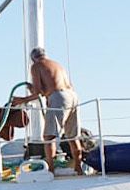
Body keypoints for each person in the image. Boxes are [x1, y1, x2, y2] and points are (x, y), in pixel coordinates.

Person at [14, 46, 86, 175]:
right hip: (73, 96)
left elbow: (37, 93)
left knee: (48, 137)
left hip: (59, 97)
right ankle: (78, 168)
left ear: (33, 59)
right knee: (72, 136)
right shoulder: (57, 65)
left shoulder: (36, 66)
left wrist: (21, 100)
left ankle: (50, 170)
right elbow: (48, 87)